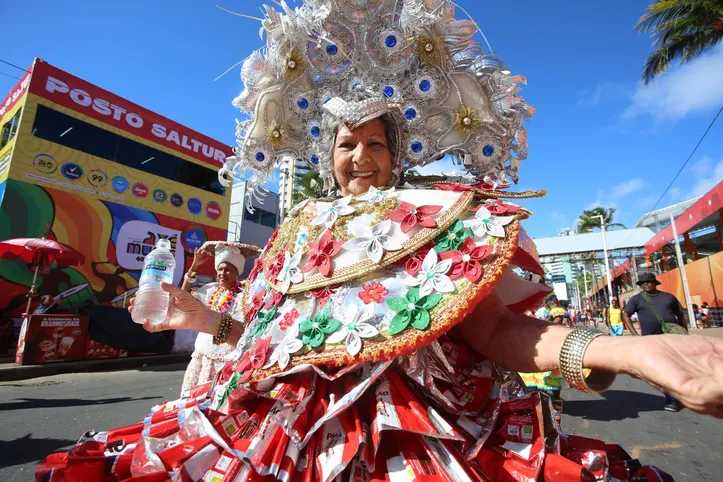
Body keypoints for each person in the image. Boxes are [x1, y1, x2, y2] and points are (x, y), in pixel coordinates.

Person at [38, 3, 723, 481]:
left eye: (374, 142)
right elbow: (267, 337)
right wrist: (200, 318)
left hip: (417, 443)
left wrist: (625, 350)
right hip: (286, 437)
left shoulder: (436, 216)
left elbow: (492, 332)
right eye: (345, 143)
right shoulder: (297, 231)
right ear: (325, 153)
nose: (359, 155)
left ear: (395, 153)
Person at [179, 241, 259, 394]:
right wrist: (194, 268)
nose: (222, 273)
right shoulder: (210, 290)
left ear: (237, 273)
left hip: (225, 360)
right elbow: (183, 297)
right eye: (220, 269)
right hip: (201, 357)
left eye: (228, 270)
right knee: (191, 404)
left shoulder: (244, 296)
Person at [622, 272, 688, 412]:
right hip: (651, 341)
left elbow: (681, 314)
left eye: (648, 281)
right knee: (660, 371)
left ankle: (681, 395)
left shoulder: (668, 297)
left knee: (677, 367)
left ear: (655, 283)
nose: (645, 284)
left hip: (673, 338)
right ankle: (672, 399)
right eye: (642, 283)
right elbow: (626, 314)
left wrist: (685, 333)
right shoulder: (636, 299)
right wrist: (634, 334)